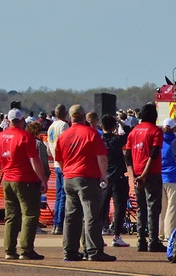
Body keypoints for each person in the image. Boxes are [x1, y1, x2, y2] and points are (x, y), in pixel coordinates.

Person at [57, 104, 115, 262]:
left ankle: (69, 251)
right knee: (91, 215)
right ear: (83, 117)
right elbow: (101, 157)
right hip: (87, 178)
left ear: (70, 118)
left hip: (69, 178)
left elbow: (59, 159)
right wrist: (103, 175)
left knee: (71, 216)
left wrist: (67, 172)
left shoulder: (64, 135)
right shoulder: (91, 133)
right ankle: (94, 250)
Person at [0, 108, 46, 260]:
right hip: (25, 179)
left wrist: (2, 168)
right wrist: (42, 179)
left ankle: (9, 250)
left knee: (11, 216)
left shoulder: (0, 136)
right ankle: (26, 250)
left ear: (8, 120)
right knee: (29, 214)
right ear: (21, 121)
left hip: (8, 179)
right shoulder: (26, 137)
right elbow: (34, 160)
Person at [124, 103, 164, 252]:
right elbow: (153, 154)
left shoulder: (133, 132)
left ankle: (140, 240)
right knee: (153, 206)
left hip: (136, 173)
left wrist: (133, 175)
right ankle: (153, 240)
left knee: (141, 207)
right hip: (151, 173)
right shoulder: (156, 131)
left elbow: (127, 156)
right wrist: (144, 175)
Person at [99, 115, 130, 248]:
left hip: (104, 177)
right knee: (119, 207)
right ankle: (116, 236)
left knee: (101, 207)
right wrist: (119, 121)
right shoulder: (117, 140)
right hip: (118, 177)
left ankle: (97, 234)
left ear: (102, 127)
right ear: (113, 127)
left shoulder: (99, 141)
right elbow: (129, 131)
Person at [46, 104, 69, 235]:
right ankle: (59, 224)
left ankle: (56, 223)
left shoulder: (51, 127)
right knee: (64, 195)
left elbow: (49, 147)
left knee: (58, 195)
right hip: (63, 163)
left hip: (55, 162)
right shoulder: (63, 126)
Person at [161, 117, 176, 243]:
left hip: (160, 176)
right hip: (173, 177)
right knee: (172, 207)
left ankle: (160, 233)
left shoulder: (158, 141)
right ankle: (169, 233)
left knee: (161, 208)